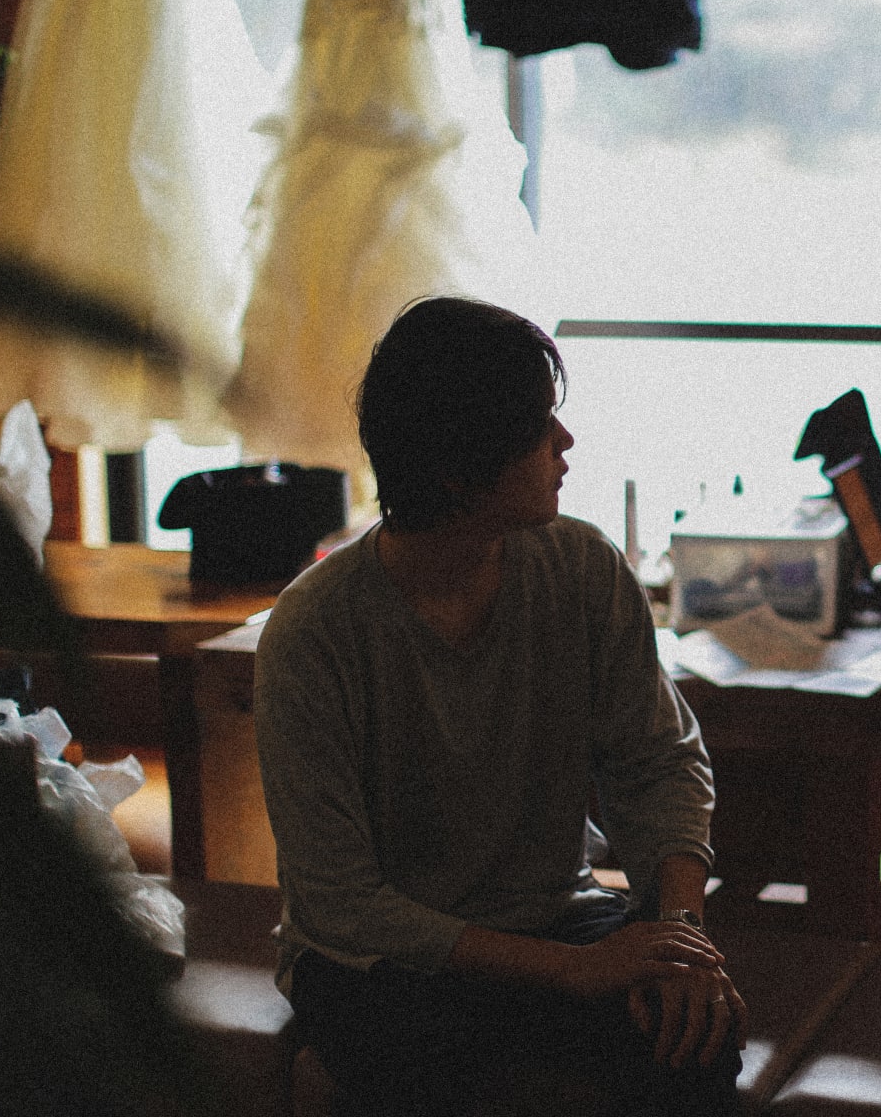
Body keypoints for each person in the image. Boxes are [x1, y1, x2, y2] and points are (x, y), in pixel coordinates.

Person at [254, 297, 745, 1117]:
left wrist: (680, 937)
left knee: (695, 1036)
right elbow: (341, 902)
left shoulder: (582, 567)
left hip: (554, 918)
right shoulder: (315, 630)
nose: (565, 441)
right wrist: (576, 971)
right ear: (459, 471)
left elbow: (659, 762)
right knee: (417, 1051)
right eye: (538, 428)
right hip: (379, 960)